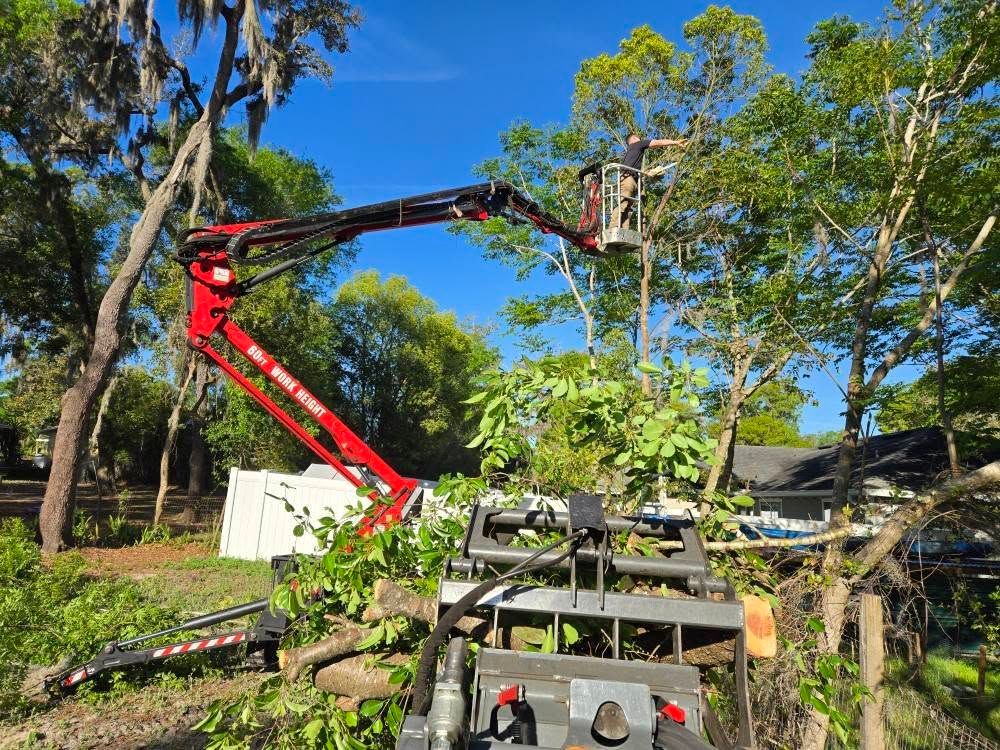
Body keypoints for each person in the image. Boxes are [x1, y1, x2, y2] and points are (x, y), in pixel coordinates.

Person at [611, 134, 686, 229]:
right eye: (639, 138)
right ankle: (613, 228)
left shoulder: (632, 152)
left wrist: (648, 173)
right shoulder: (637, 144)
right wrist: (676, 142)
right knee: (624, 204)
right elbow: (657, 142)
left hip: (630, 178)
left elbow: (634, 170)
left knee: (627, 208)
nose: (641, 139)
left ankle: (622, 230)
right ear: (634, 139)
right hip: (628, 178)